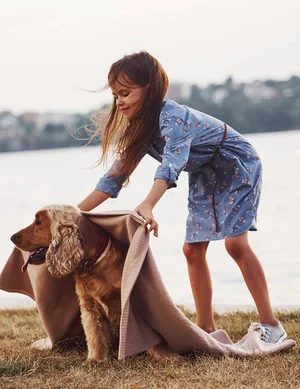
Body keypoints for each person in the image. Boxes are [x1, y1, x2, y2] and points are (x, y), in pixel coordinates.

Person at [77, 51, 287, 344]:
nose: (119, 101)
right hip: (204, 173)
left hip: (236, 164)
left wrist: (149, 203)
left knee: (236, 245)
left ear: (149, 89)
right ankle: (206, 328)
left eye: (125, 93)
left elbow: (172, 164)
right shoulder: (139, 129)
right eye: (115, 96)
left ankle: (272, 326)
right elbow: (114, 177)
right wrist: (74, 214)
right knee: (192, 250)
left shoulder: (172, 117)